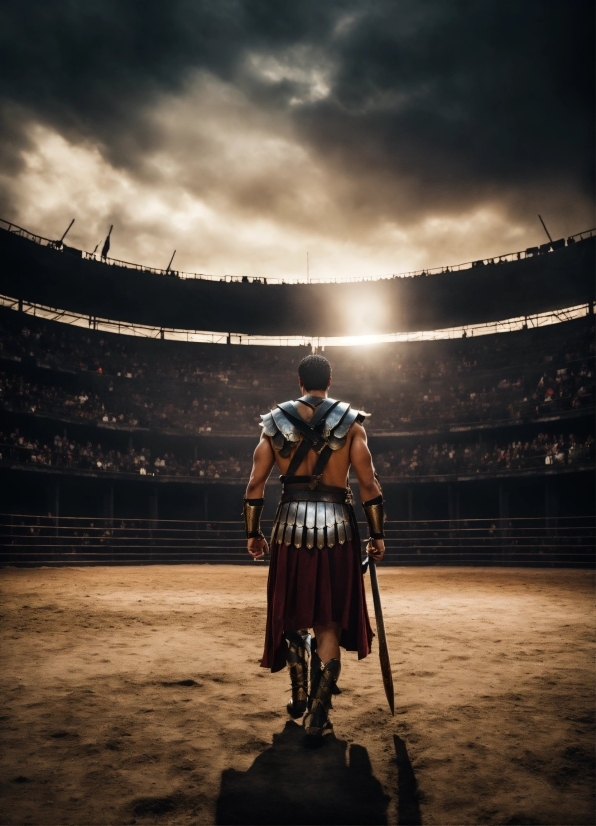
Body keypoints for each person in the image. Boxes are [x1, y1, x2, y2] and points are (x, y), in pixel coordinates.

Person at [243, 354, 386, 745]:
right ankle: (318, 713)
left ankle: (299, 691)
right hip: (338, 529)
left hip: (289, 527)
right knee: (329, 620)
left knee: (291, 611)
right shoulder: (352, 423)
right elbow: (369, 484)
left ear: (300, 380)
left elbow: (255, 484)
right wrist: (377, 536)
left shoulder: (274, 423)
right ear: (330, 380)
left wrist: (253, 534)